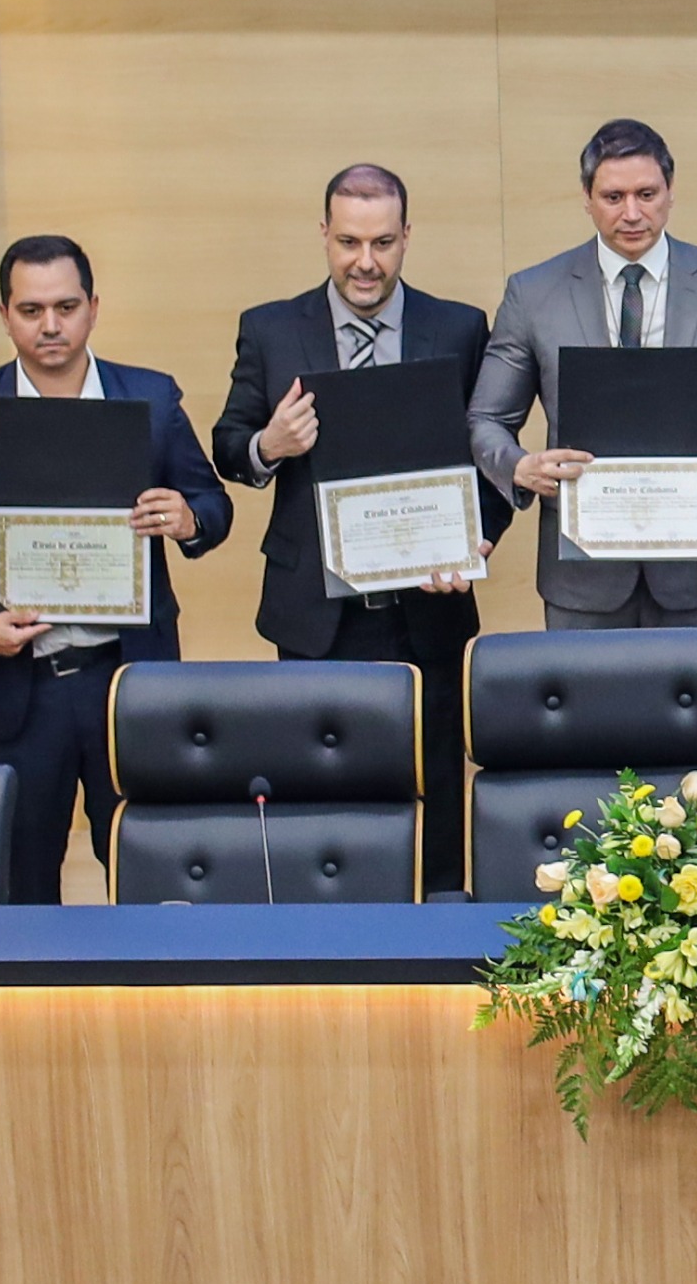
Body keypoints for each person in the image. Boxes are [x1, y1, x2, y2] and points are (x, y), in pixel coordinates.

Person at [210, 165, 506, 893]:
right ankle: (327, 936)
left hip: (428, 603)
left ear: (407, 237)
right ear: (323, 235)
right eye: (347, 241)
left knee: (437, 781)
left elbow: (492, 456)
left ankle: (434, 935)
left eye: (381, 242)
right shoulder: (271, 328)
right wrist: (269, 444)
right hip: (315, 610)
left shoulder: (459, 327)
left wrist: (478, 541)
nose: (364, 261)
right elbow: (227, 443)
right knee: (320, 792)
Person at [0, 235, 231, 903]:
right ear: (4, 314)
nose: (50, 324)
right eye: (31, 309)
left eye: (65, 305)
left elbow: (213, 504)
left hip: (126, 680)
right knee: (20, 880)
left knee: (148, 869)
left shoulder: (148, 395)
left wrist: (187, 517)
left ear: (93, 308)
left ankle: (149, 1002)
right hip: (14, 684)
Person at [468, 118, 697, 630]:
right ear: (586, 198)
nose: (632, 213)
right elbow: (485, 418)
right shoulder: (534, 293)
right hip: (581, 578)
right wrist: (520, 467)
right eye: (613, 197)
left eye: (647, 193)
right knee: (592, 713)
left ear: (671, 193)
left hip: (695, 576)